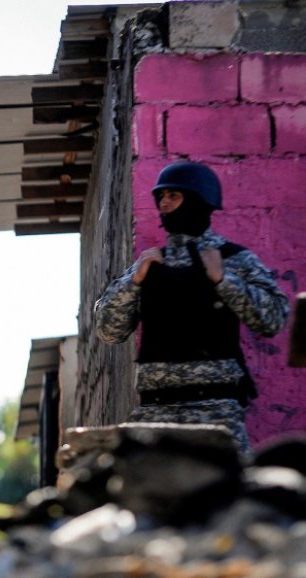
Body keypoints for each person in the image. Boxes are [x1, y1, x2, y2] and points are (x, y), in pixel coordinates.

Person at [94, 161, 289, 457]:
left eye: (174, 195)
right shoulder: (149, 265)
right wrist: (134, 282)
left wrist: (224, 280)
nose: (164, 203)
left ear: (199, 199)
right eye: (161, 197)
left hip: (216, 414)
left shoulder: (233, 259)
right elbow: (108, 331)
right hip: (155, 413)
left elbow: (274, 319)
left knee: (228, 499)